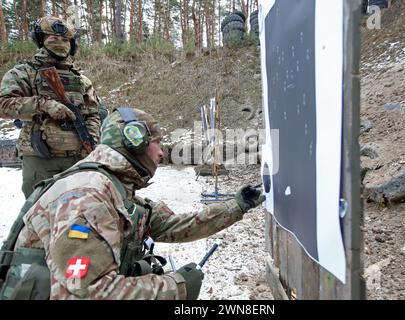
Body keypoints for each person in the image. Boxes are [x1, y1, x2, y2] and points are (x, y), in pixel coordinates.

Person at [0, 107, 265, 300]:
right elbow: (90, 292)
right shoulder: (87, 197)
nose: (162, 153)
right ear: (134, 142)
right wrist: (177, 287)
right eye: (157, 143)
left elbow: (173, 225)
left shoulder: (116, 190)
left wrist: (237, 205)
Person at [0, 16, 105, 198]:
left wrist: (91, 140)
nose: (60, 43)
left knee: (77, 216)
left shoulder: (81, 80)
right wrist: (44, 105)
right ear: (41, 41)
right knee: (38, 217)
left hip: (77, 159)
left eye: (65, 40)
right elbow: (3, 105)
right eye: (53, 38)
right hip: (40, 159)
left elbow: (93, 114)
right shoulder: (23, 73)